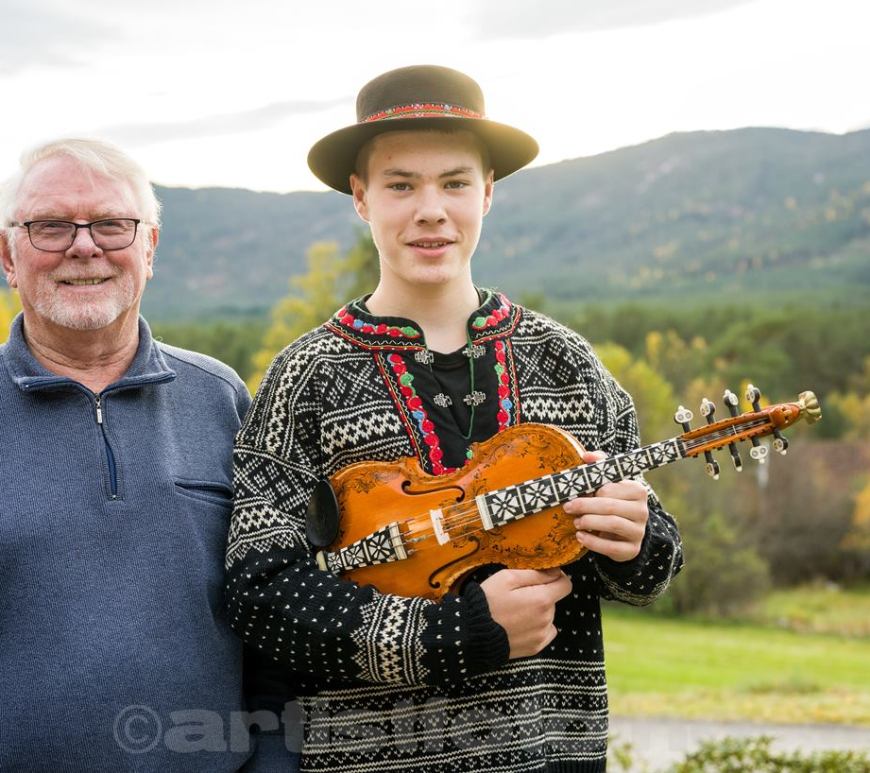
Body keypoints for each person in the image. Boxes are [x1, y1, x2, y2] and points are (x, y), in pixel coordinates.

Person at [225, 65, 683, 772]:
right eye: (401, 184)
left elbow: (647, 570)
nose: (431, 209)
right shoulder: (306, 375)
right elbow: (262, 588)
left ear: (489, 193)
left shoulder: (567, 362)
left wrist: (640, 540)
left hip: (549, 755)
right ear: (360, 197)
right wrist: (451, 632)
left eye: (455, 183)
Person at [0, 139, 293, 772]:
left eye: (111, 224)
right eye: (50, 226)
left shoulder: (222, 399)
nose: (84, 246)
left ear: (150, 247)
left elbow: (272, 616)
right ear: (8, 256)